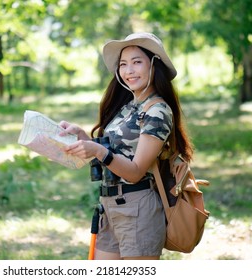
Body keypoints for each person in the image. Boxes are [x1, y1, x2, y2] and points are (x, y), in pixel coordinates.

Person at [59, 32, 194, 260]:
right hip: (109, 207)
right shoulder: (129, 106)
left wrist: (98, 151)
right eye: (123, 64)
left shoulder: (158, 111)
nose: (129, 70)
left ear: (154, 64)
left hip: (138, 210)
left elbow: (134, 171)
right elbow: (117, 150)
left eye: (137, 62)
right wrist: (84, 138)